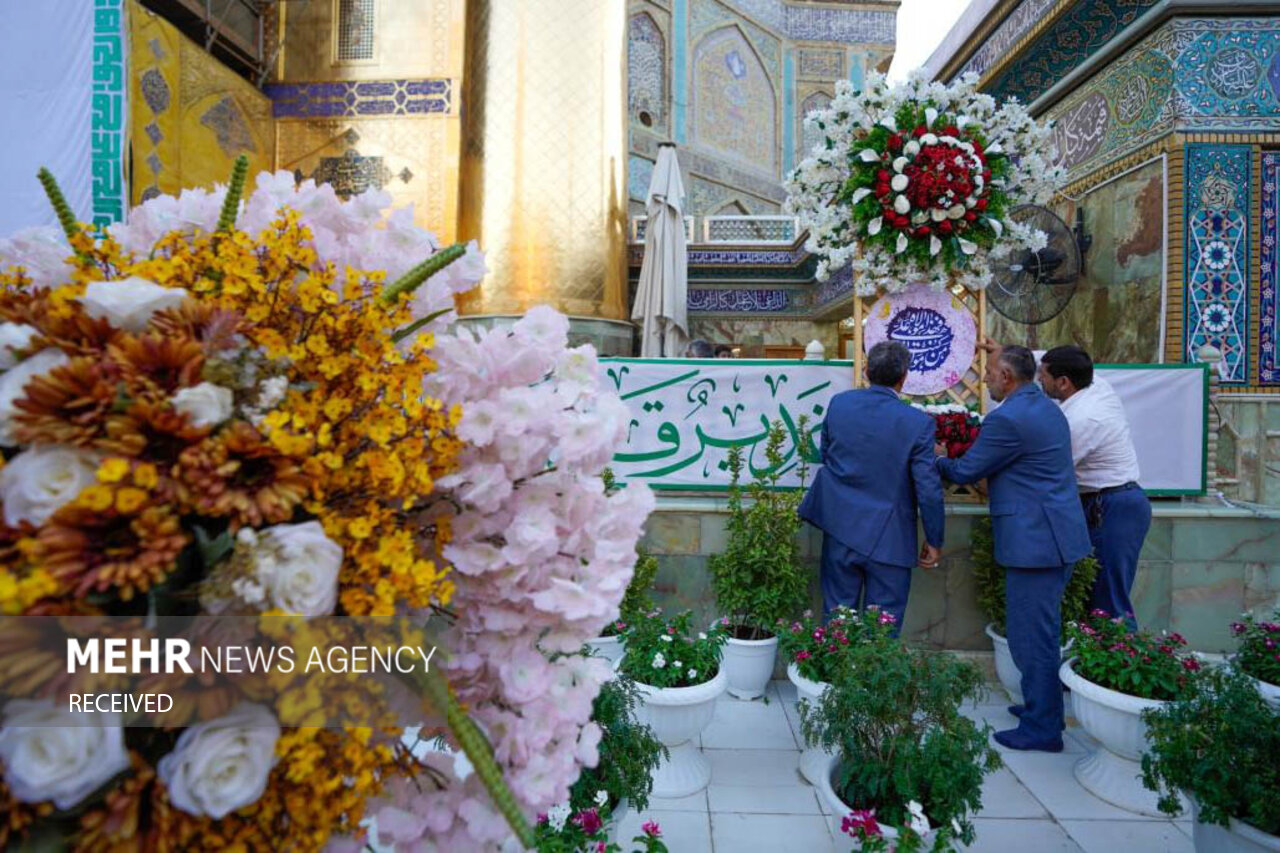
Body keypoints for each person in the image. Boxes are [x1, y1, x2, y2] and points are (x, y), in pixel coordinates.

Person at [936, 345, 1090, 752]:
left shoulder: (1010, 418)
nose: (985, 379)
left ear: (1006, 375)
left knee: (1031, 638)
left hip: (1037, 543)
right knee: (1039, 633)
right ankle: (1042, 710)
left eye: (988, 372)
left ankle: (1043, 729)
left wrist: (937, 459)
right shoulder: (1044, 408)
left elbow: (968, 469)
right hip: (1054, 537)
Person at [798, 341, 944, 633]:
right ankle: (868, 681)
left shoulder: (841, 404)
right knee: (881, 632)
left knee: (838, 623)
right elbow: (927, 488)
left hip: (841, 529)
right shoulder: (918, 422)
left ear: (866, 370)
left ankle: (837, 678)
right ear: (904, 377)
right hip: (891, 538)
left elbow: (826, 453)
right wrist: (934, 539)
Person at [1038, 345, 1150, 627]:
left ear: (1063, 382)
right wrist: (1001, 351)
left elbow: (1050, 469)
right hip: (1103, 502)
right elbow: (1047, 359)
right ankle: (1093, 667)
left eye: (1043, 377)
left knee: (1108, 600)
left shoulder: (1082, 420)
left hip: (1113, 507)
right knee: (1093, 597)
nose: (1039, 381)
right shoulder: (1095, 384)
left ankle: (1124, 665)